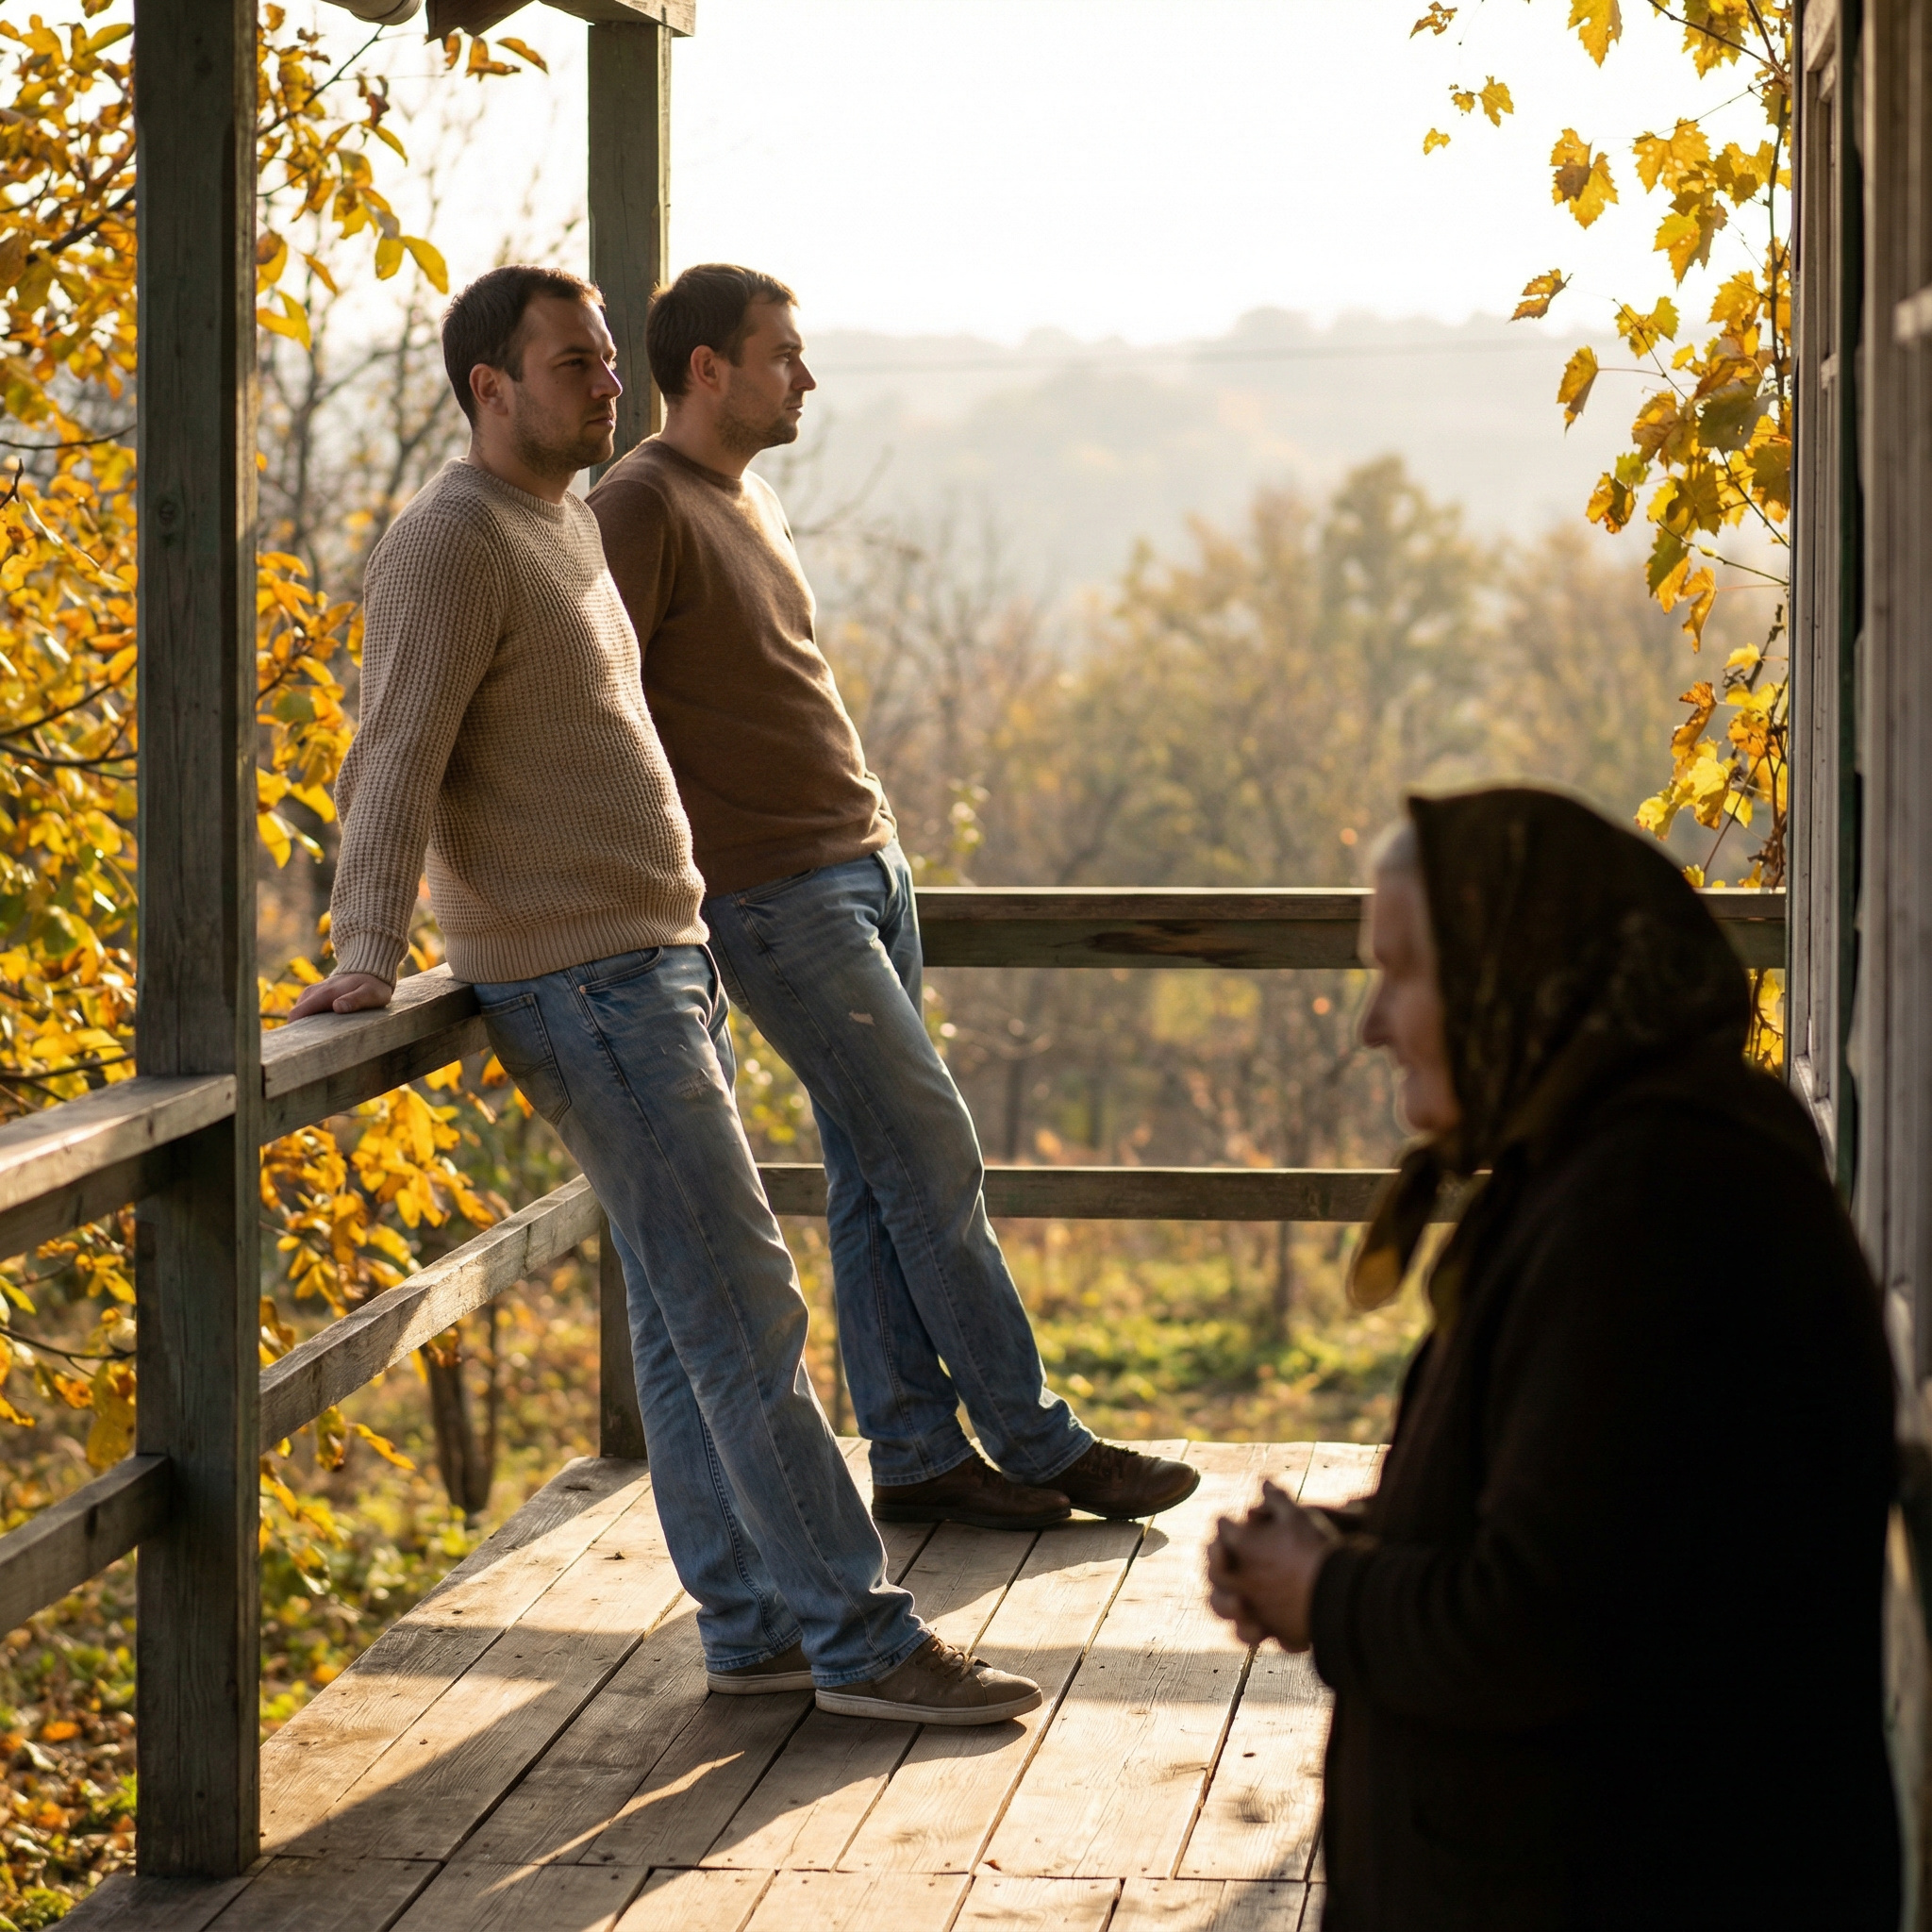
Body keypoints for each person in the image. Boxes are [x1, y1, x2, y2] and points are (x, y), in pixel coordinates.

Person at [288, 264, 1041, 1728]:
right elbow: (393, 754)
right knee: (747, 1305)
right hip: (582, 983)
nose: (605, 379)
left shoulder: (558, 522)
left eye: (602, 360)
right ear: (489, 388)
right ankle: (861, 1638)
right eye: (573, 362)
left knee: (684, 1312)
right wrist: (367, 946)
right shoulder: (447, 541)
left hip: (656, 965)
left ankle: (754, 1625)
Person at [1206, 788, 1901, 1930]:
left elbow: (1538, 1620)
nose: (1371, 1022)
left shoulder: (1652, 1210)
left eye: (1402, 972)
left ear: (1514, 970)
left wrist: (1326, 1589)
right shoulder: (1597, 1156)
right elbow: (1594, 1513)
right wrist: (1360, 1537)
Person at [587, 263, 1196, 1532]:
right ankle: (1039, 1440)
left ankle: (917, 1452)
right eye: (783, 354)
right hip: (773, 896)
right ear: (708, 368)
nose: (805, 376)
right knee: (931, 1150)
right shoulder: (638, 504)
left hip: (864, 870)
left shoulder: (748, 497)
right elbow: (604, 712)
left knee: (874, 1170)